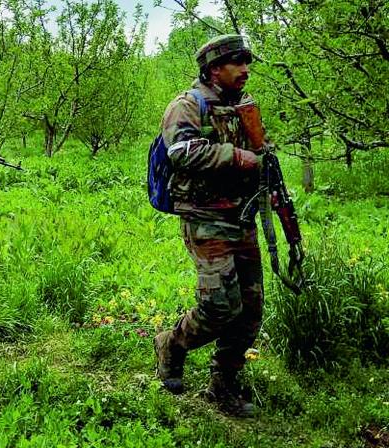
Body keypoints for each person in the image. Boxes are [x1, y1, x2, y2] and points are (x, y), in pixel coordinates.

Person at [153, 35, 264, 417]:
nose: (245, 70)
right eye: (237, 63)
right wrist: (237, 157)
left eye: (247, 62)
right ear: (214, 68)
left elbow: (261, 154)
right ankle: (171, 344)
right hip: (205, 219)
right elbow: (182, 152)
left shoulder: (243, 108)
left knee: (250, 310)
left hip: (241, 217)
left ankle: (223, 385)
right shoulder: (187, 105)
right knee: (219, 306)